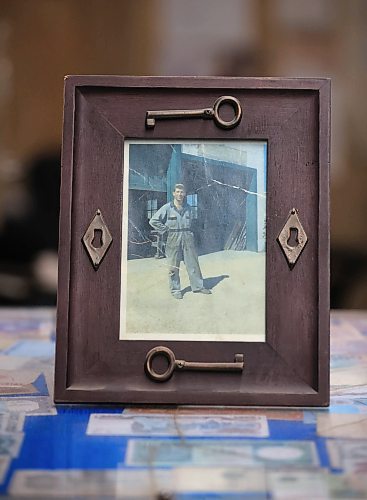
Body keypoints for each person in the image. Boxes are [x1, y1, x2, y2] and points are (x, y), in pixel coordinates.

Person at [149, 184, 212, 299]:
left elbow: (192, 222)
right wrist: (165, 230)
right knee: (173, 266)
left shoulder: (188, 208)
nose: (180, 194)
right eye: (177, 192)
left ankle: (198, 286)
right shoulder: (167, 207)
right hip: (173, 237)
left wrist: (189, 233)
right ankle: (175, 290)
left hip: (187, 236)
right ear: (173, 193)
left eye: (182, 192)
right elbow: (153, 221)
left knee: (193, 263)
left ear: (185, 194)